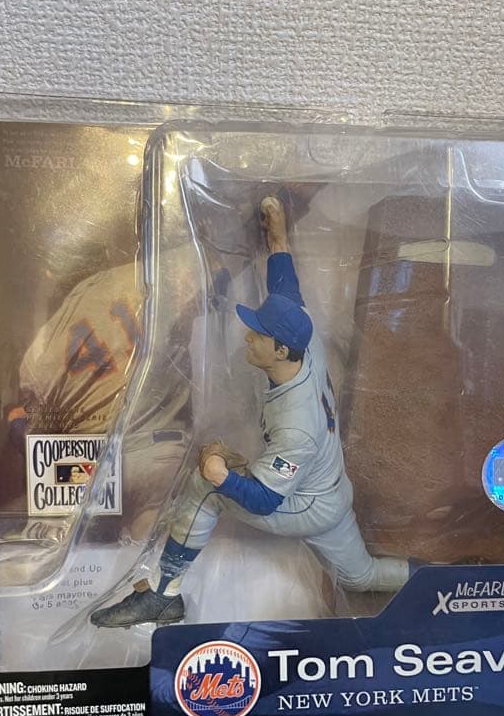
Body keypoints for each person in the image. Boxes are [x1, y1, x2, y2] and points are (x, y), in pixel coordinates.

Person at [91, 197, 413, 629]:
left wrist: (220, 474)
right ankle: (446, 578)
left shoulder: (296, 425)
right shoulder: (303, 342)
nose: (249, 337)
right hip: (331, 491)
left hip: (305, 505)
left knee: (205, 488)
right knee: (363, 577)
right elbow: (285, 289)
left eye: (258, 335)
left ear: (279, 349)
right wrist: (278, 238)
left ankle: (165, 596)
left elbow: (263, 502)